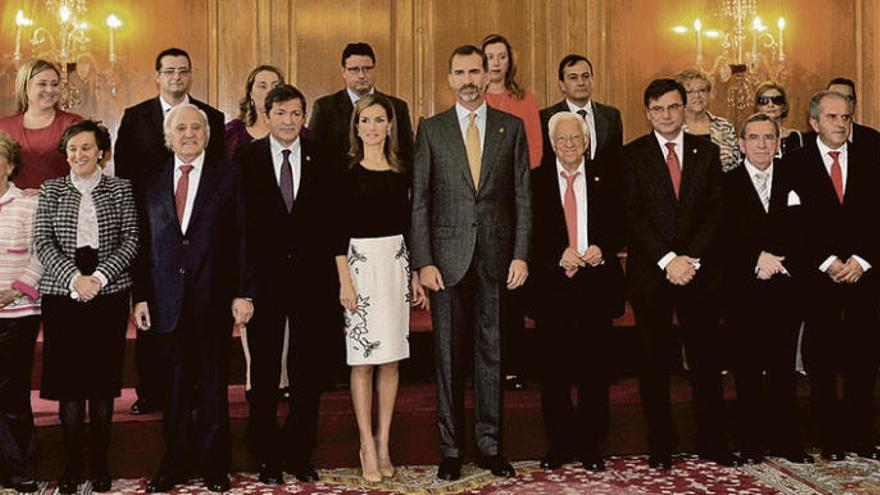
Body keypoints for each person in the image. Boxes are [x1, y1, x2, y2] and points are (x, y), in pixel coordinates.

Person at [411, 44, 531, 481]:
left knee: (492, 354)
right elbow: (420, 201)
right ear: (449, 79)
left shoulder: (511, 128)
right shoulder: (431, 129)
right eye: (459, 72)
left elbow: (523, 198)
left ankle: (489, 445)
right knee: (446, 357)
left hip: (497, 260)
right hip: (445, 262)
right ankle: (450, 448)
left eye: (475, 71)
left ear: (488, 74)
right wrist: (422, 262)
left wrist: (521, 253)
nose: (468, 79)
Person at [132, 104, 254, 493]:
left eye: (196, 127)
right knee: (174, 389)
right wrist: (141, 298)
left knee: (214, 387)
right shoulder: (149, 179)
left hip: (214, 300)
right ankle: (176, 464)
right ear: (168, 136)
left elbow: (243, 237)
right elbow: (143, 246)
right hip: (166, 302)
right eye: (180, 127)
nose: (189, 133)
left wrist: (243, 293)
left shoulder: (229, 175)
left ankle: (216, 465)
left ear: (208, 133)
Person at [622, 79, 736, 470]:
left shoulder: (707, 152)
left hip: (699, 273)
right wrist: (668, 258)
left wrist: (690, 258)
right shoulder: (632, 155)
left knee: (705, 361)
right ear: (648, 112)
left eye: (673, 107)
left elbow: (716, 212)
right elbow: (632, 215)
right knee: (653, 363)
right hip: (652, 273)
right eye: (658, 109)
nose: (667, 115)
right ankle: (661, 443)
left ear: (685, 107)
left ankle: (712, 440)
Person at [234, 85, 338, 484]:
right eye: (281, 113)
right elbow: (240, 226)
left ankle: (299, 452)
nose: (288, 121)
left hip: (312, 281)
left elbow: (331, 221)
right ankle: (265, 454)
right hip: (264, 280)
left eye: (296, 113)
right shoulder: (246, 158)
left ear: (303, 117)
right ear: (267, 114)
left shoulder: (322, 157)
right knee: (263, 371)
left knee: (307, 371)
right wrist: (242, 285)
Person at [115, 47, 226, 417]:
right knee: (155, 328)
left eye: (183, 71)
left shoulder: (211, 117)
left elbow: (220, 182)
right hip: (155, 234)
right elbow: (127, 176)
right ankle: (151, 391)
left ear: (190, 75)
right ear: (157, 76)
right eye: (169, 71)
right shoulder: (135, 118)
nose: (177, 77)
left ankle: (192, 393)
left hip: (201, 245)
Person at [32, 120, 138, 493]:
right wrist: (74, 279)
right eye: (73, 148)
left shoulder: (121, 189)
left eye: (87, 148)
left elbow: (131, 240)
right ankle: (72, 466)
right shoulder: (51, 190)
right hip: (63, 295)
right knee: (69, 386)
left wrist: (100, 278)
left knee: (101, 384)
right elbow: (42, 243)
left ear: (101, 153)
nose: (79, 155)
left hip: (108, 294)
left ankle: (99, 464)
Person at [779, 91, 880, 462]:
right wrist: (826, 261)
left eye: (846, 117)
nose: (841, 123)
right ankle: (829, 435)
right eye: (833, 117)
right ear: (814, 122)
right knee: (820, 357)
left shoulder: (872, 159)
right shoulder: (794, 163)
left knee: (864, 355)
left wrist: (862, 259)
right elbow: (793, 226)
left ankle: (861, 435)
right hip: (817, 277)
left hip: (863, 275)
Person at [334, 94, 427, 482]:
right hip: (359, 266)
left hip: (395, 263)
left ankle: (384, 439)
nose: (372, 127)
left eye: (379, 120)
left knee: (390, 359)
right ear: (356, 127)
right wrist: (344, 280)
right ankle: (365, 445)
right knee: (363, 361)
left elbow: (411, 226)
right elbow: (334, 231)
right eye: (365, 120)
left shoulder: (402, 170)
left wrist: (415, 273)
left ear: (390, 126)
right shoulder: (345, 171)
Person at [530, 112, 624, 472]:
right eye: (562, 140)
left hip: (595, 282)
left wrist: (604, 246)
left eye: (575, 139)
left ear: (586, 143)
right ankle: (560, 443)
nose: (569, 145)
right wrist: (555, 252)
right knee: (553, 370)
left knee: (594, 369)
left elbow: (622, 221)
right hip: (553, 285)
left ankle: (590, 444)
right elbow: (527, 229)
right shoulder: (536, 181)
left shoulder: (607, 178)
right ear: (553, 145)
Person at [720, 113, 813, 465]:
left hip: (785, 288)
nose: (761, 144)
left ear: (778, 143)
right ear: (742, 144)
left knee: (781, 368)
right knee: (746, 368)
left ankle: (787, 441)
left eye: (768, 138)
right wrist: (755, 259)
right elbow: (721, 237)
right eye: (754, 138)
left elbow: (807, 230)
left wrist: (781, 260)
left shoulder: (796, 180)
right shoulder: (725, 183)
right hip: (744, 289)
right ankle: (750, 442)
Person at [225, 64, 290, 402]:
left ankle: (282, 377)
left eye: (274, 85)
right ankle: (254, 374)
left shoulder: (297, 132)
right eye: (261, 84)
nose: (267, 89)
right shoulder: (233, 134)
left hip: (289, 239)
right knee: (252, 307)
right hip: (248, 234)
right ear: (250, 91)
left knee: (286, 314)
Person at [0, 131, 43, 494]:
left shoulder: (30, 203)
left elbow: (41, 255)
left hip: (19, 313)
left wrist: (15, 291)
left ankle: (19, 470)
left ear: (10, 164)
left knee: (13, 396)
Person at [308, 42, 414, 169]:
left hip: (385, 183)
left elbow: (407, 153)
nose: (361, 75)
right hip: (338, 184)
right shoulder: (325, 107)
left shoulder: (397, 107)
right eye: (354, 70)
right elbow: (314, 153)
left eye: (367, 69)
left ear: (374, 70)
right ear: (343, 72)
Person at [0, 59, 82, 189]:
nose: (49, 90)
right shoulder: (3, 127)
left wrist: (48, 193)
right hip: (15, 207)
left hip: (61, 205)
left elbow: (85, 172)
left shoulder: (73, 123)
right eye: (42, 84)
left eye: (54, 84)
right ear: (25, 87)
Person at [540, 54, 623, 167]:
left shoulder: (611, 116)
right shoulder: (546, 118)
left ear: (592, 80)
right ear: (562, 85)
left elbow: (617, 161)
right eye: (573, 77)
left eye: (585, 76)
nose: (581, 82)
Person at [481, 34, 543, 168]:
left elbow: (535, 146)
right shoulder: (474, 100)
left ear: (509, 63)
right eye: (490, 57)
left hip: (519, 178)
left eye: (502, 57)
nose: (496, 63)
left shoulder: (526, 99)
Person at [675, 68, 739, 172]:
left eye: (702, 90)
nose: (697, 96)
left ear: (709, 94)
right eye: (690, 92)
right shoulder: (673, 129)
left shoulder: (725, 126)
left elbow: (736, 166)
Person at [225, 65, 285, 157]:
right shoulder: (230, 133)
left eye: (275, 86)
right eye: (262, 86)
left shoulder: (298, 132)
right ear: (250, 94)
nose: (269, 91)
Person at [754, 82, 803, 158]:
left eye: (777, 100)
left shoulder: (796, 136)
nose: (770, 105)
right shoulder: (749, 138)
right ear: (757, 107)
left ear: (784, 106)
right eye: (764, 101)